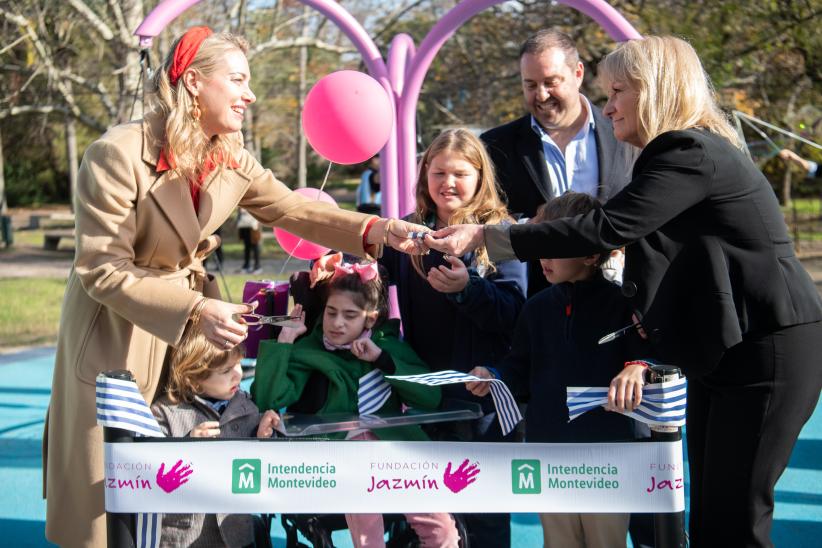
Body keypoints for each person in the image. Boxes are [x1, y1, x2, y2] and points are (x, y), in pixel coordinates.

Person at [428, 36, 822, 547]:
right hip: (726, 350)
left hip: (767, 346)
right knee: (708, 519)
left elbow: (604, 227)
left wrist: (488, 235)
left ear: (655, 90)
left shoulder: (688, 151)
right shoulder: (675, 155)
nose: (607, 106)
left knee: (735, 520)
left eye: (617, 91)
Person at [44, 26, 430, 547]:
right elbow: (101, 269)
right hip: (119, 334)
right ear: (195, 83)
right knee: (114, 503)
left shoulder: (228, 152)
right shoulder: (116, 153)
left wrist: (377, 230)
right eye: (238, 80)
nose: (250, 94)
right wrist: (197, 306)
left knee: (189, 486)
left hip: (188, 336)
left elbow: (293, 209)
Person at [466, 193, 646, 548]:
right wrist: (495, 377)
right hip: (549, 448)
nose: (542, 257)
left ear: (592, 254)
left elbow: (646, 359)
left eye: (552, 247)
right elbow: (519, 367)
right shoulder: (536, 308)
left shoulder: (624, 307)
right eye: (540, 245)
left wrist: (637, 367)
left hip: (608, 454)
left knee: (605, 541)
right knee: (558, 541)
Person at [378, 128, 526, 548]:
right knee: (432, 524)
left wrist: (467, 289)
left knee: (484, 524)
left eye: (459, 173)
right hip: (425, 399)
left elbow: (516, 312)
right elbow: (369, 276)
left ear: (480, 176)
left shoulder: (499, 232)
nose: (448, 183)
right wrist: (348, 270)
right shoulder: (409, 233)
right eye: (438, 172)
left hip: (484, 402)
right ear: (424, 175)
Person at [251, 264, 459, 548]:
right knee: (368, 540)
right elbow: (268, 399)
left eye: (350, 316)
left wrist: (383, 360)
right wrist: (285, 341)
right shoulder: (310, 350)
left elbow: (430, 398)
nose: (337, 323)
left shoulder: (388, 347)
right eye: (331, 312)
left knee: (444, 533)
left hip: (398, 454)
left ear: (370, 319)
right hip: (342, 457)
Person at [481, 29, 635, 297]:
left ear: (578, 73)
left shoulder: (626, 134)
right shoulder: (496, 146)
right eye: (530, 85)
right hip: (535, 304)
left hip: (618, 301)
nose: (541, 95)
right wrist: (531, 223)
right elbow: (483, 217)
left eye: (551, 82)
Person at [151, 327, 279, 546]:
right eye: (226, 370)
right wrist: (187, 446)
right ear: (194, 379)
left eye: (239, 363)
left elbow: (261, 473)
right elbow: (154, 478)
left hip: (236, 533)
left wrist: (263, 436)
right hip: (185, 537)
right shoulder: (165, 412)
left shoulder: (246, 407)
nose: (238, 373)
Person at [236, 207, 262, 274]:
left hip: (253, 225)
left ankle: (257, 266)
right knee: (246, 247)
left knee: (255, 246)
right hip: (244, 225)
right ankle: (246, 265)